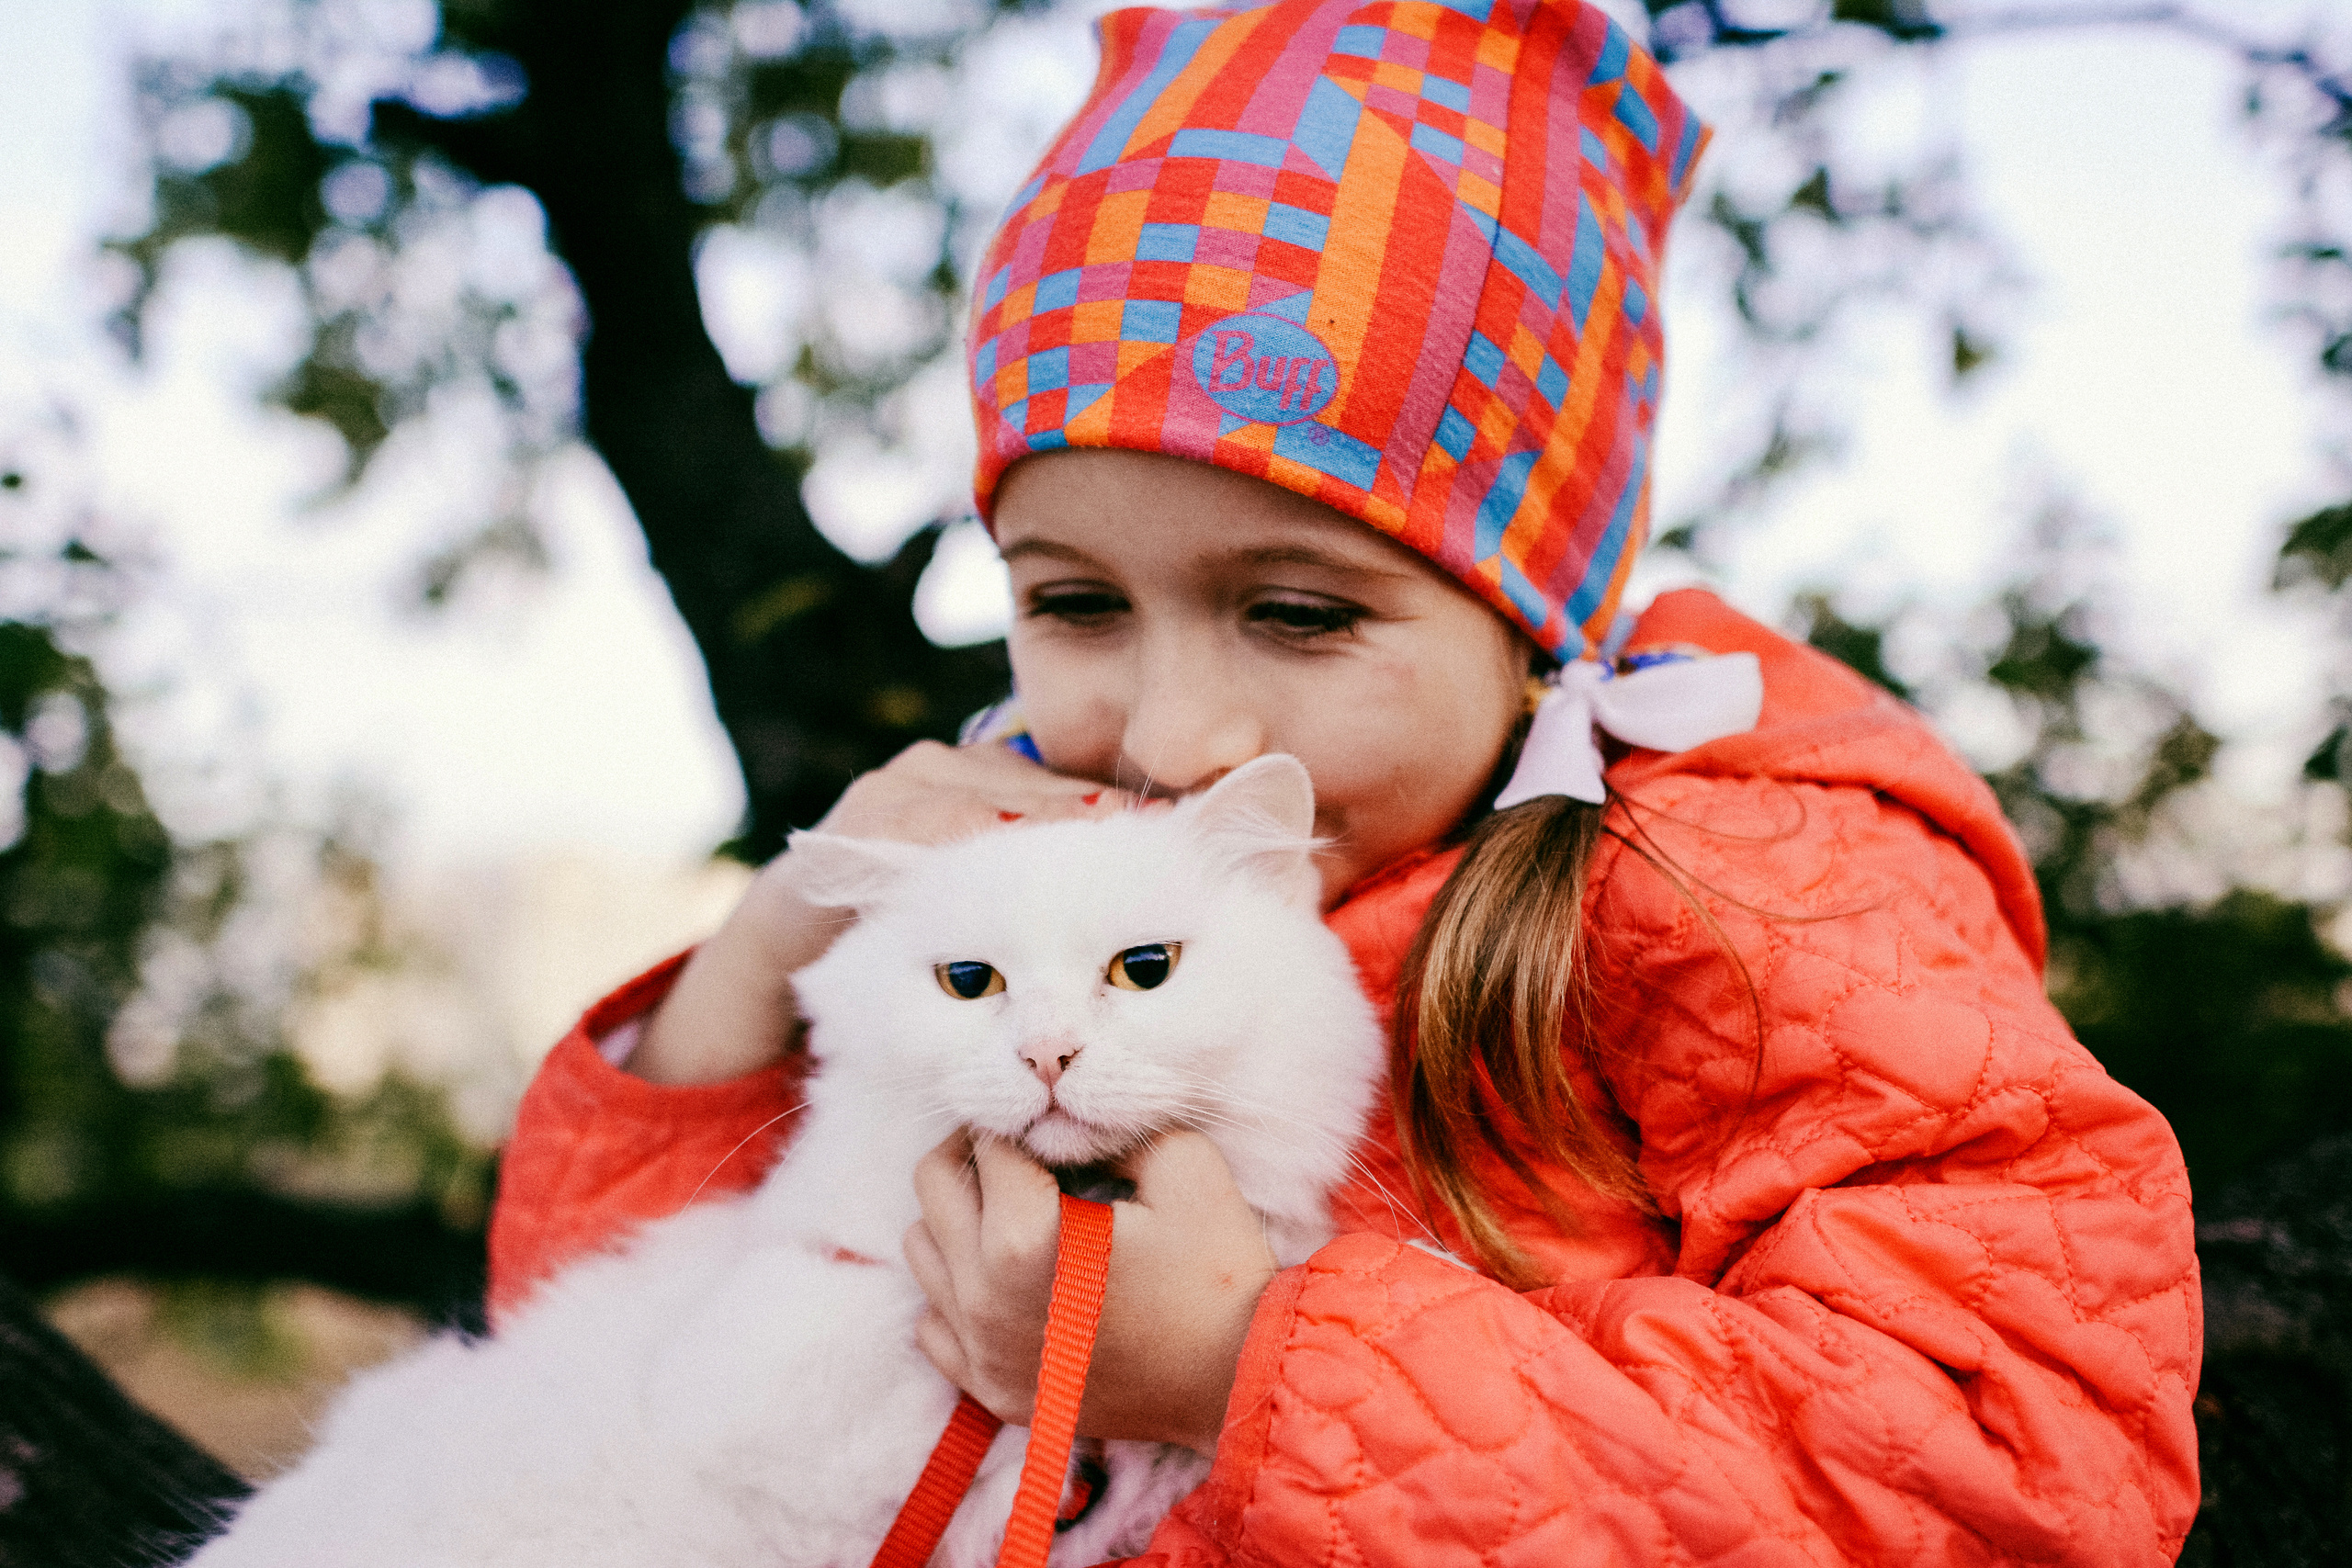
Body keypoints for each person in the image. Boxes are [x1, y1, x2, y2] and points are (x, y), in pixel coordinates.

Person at [489, 2, 2200, 1561]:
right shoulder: (1009, 903)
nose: (1170, 738)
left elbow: (2022, 1450)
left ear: (1530, 615)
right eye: (1074, 602)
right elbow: (604, 1380)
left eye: (1297, 612)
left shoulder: (1738, 874)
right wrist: (767, 946)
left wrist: (1245, 1368)